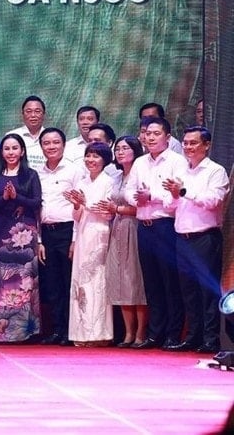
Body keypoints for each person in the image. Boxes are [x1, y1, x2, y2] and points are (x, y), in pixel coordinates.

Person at [162, 126, 229, 354]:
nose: (188, 147)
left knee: (206, 291)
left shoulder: (215, 171)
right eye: (186, 143)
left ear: (207, 145)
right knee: (188, 290)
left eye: (193, 143)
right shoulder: (182, 171)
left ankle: (211, 339)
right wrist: (173, 196)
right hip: (182, 237)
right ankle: (193, 336)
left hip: (205, 237)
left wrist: (183, 191)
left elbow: (213, 201)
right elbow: (170, 207)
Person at [125, 116, 185, 349]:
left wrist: (152, 197)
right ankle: (155, 334)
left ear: (168, 137)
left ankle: (173, 334)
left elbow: (175, 198)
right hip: (144, 226)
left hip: (165, 226)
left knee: (170, 282)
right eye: (147, 133)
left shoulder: (177, 161)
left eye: (156, 133)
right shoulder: (140, 162)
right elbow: (130, 191)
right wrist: (138, 199)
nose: (150, 137)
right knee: (151, 283)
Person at [0, 133, 43, 343]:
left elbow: (36, 203)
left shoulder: (31, 175)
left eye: (14, 148)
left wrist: (17, 197)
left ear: (22, 151)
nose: (10, 152)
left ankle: (24, 333)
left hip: (24, 234)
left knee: (23, 280)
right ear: (2, 152)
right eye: (6, 149)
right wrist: (4, 198)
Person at [98, 136, 148, 347]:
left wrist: (117, 209)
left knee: (136, 280)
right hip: (117, 228)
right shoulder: (116, 177)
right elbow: (111, 206)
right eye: (117, 148)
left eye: (125, 148)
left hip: (135, 228)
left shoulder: (141, 174)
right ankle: (128, 333)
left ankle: (141, 333)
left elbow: (144, 208)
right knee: (120, 280)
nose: (120, 152)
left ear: (135, 150)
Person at [36, 127, 82, 346]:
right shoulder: (37, 173)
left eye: (55, 143)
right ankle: (56, 330)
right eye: (46, 143)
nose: (51, 147)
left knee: (68, 282)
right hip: (46, 233)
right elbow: (37, 208)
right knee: (52, 285)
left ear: (64, 145)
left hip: (67, 231)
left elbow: (80, 206)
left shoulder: (74, 171)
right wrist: (38, 240)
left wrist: (74, 238)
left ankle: (70, 331)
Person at [66, 143, 115, 346]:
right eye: (88, 156)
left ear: (104, 159)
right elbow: (76, 217)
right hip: (84, 233)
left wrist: (84, 202)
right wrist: (77, 205)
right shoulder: (83, 181)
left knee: (97, 281)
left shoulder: (108, 182)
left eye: (95, 156)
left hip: (100, 234)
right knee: (81, 282)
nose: (91, 160)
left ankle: (100, 334)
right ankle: (81, 333)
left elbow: (107, 212)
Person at [5, 96, 46, 167]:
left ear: (44, 114)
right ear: (23, 114)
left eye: (37, 111)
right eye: (29, 111)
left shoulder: (50, 137)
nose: (33, 115)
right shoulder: (11, 136)